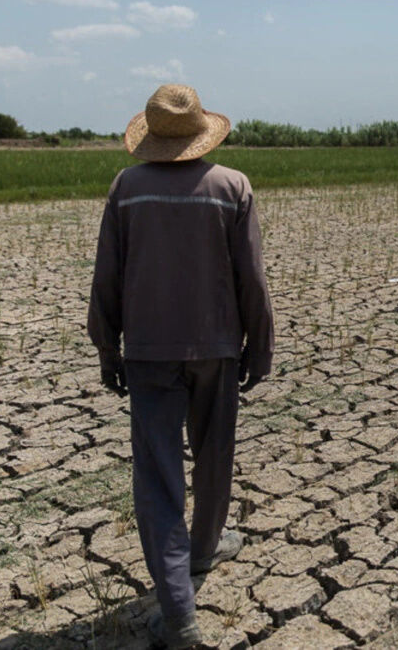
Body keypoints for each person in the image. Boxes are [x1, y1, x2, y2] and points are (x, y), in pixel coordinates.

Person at [87, 83, 274, 648]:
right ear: (199, 133)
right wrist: (259, 345)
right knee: (215, 454)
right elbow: (253, 279)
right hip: (217, 348)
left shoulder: (127, 189)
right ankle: (202, 551)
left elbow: (107, 277)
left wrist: (106, 346)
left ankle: (179, 611)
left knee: (159, 479)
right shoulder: (230, 185)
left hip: (147, 352)